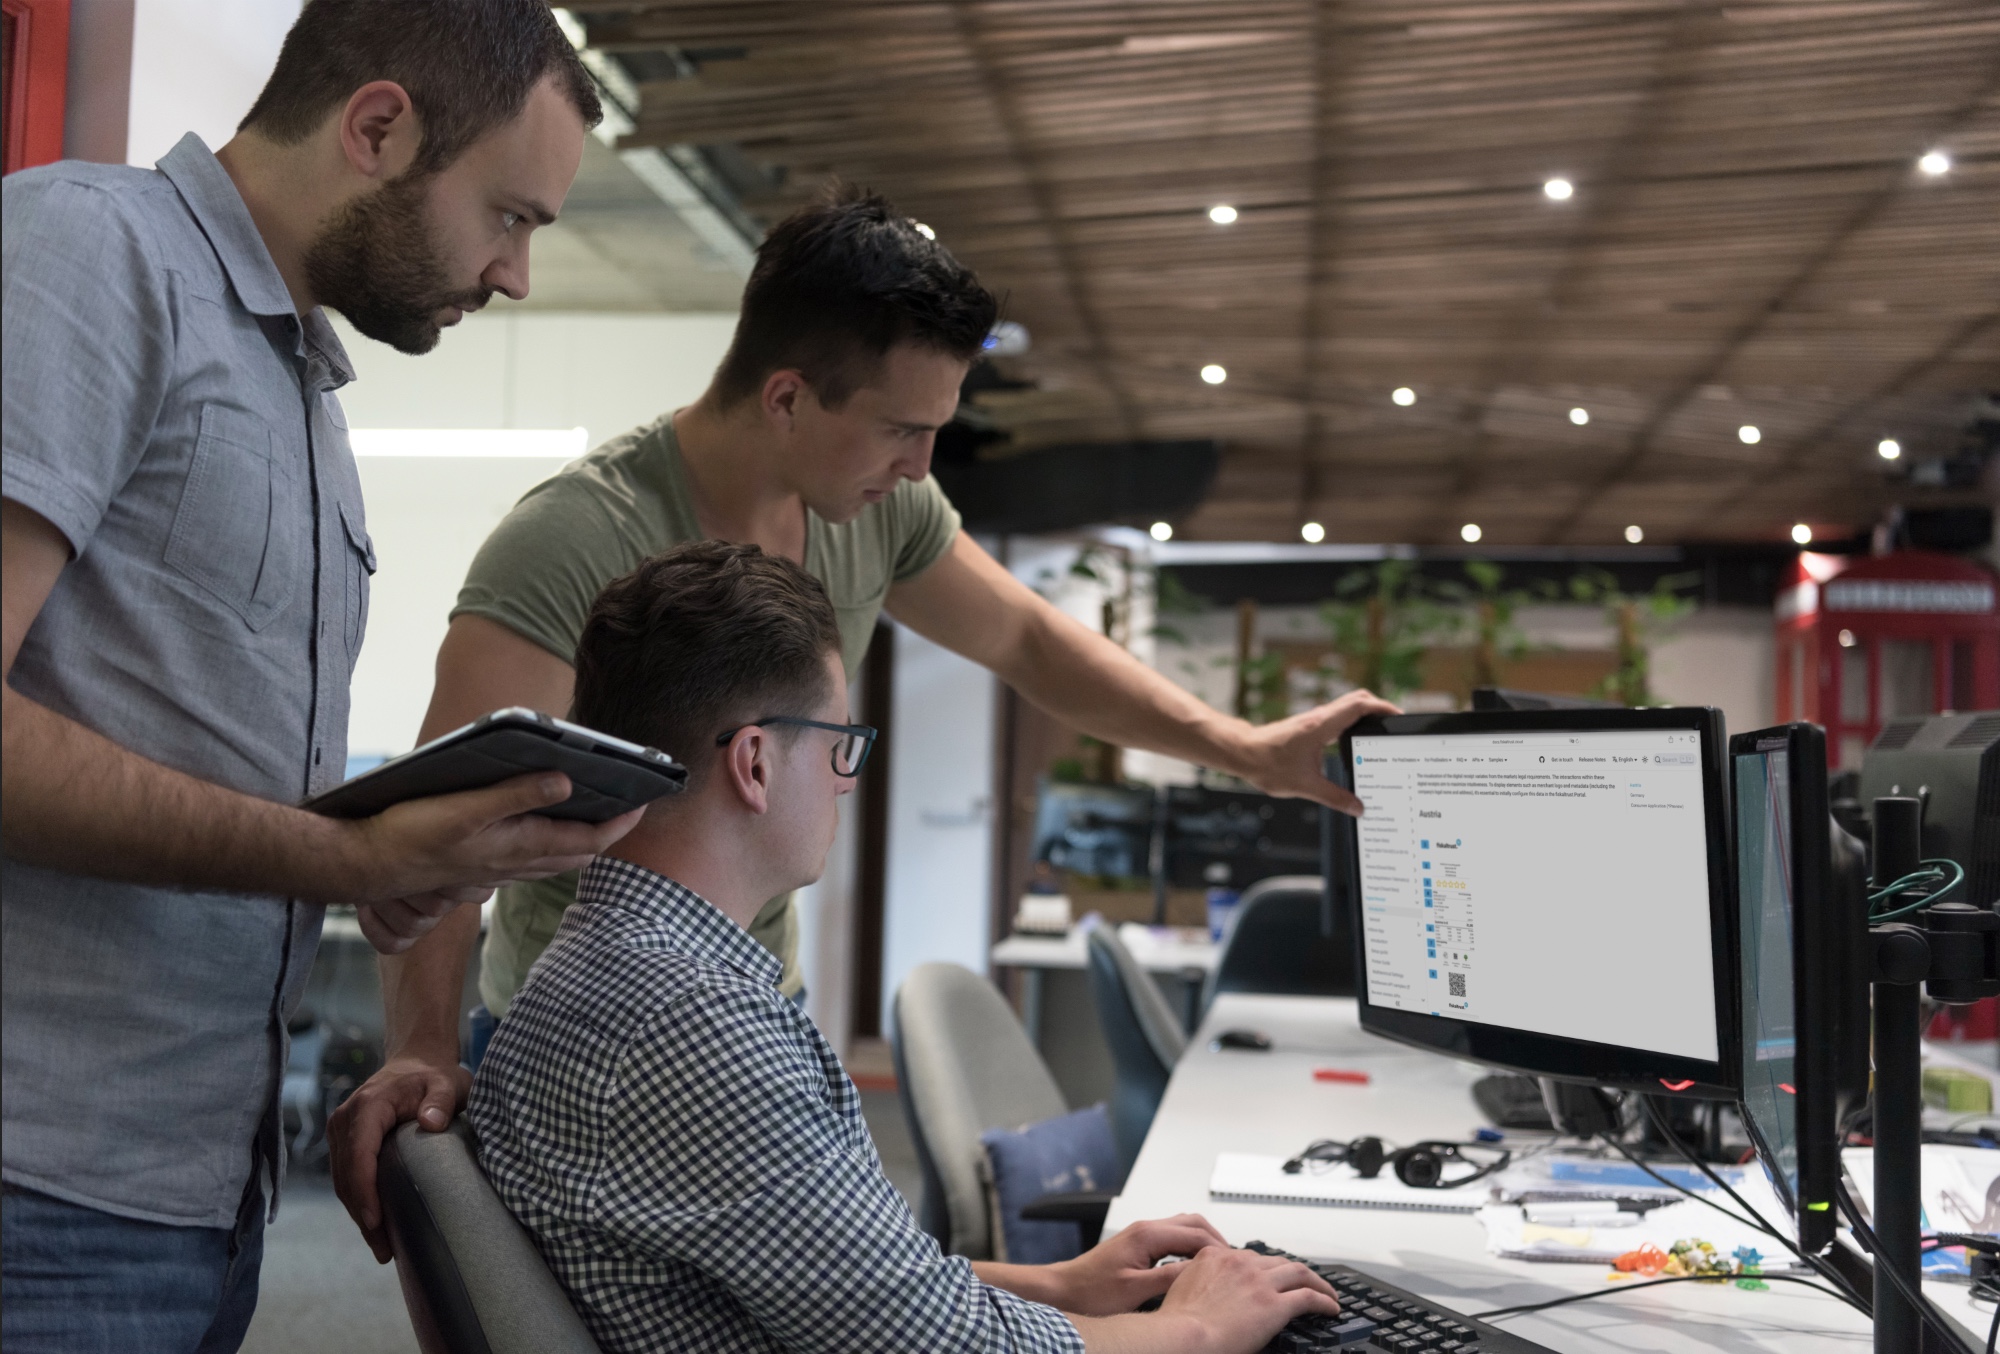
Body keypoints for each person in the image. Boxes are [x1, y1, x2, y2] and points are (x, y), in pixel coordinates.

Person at [329, 183, 1397, 1258]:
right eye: (899, 429)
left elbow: (1027, 642)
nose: (920, 464)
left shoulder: (877, 510)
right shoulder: (575, 539)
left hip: (755, 1007)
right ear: (787, 399)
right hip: (601, 1038)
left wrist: (1245, 750)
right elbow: (449, 817)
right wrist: (420, 1046)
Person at [0, 3, 632, 1348]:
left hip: (192, 1191)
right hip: (36, 1185)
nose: (515, 274)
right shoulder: (87, 252)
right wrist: (340, 858)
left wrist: (397, 859)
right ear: (378, 126)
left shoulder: (302, 394)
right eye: (508, 215)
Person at [471, 540, 1344, 1353]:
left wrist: (1061, 1283)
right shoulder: (692, 1020)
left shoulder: (597, 965)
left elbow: (855, 1285)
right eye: (840, 746)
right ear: (756, 764)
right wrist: (1195, 1330)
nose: (846, 784)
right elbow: (940, 1346)